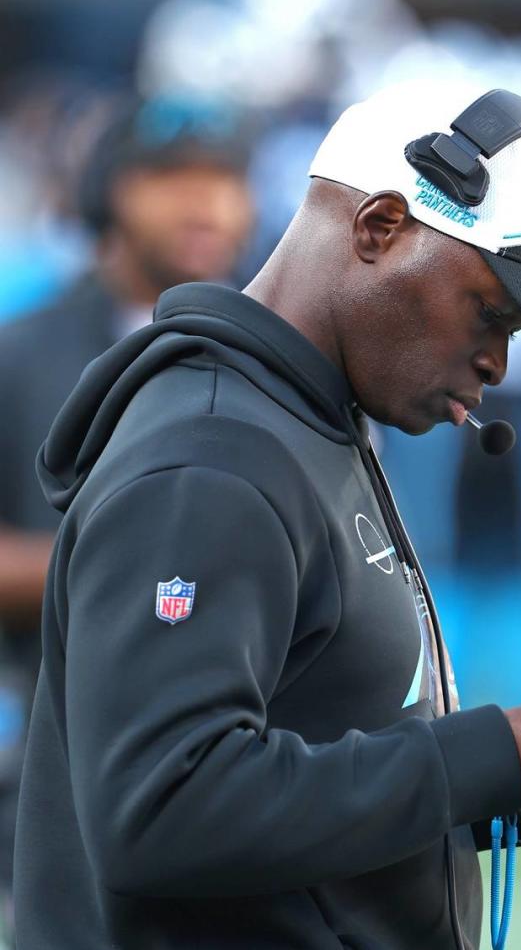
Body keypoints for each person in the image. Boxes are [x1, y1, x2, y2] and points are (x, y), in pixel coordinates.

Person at [13, 85, 521, 950]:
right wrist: (488, 757)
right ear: (378, 228)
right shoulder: (212, 457)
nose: (497, 361)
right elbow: (163, 806)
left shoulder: (310, 418)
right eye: (490, 313)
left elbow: (311, 747)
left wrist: (497, 785)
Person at [0, 96, 253, 939]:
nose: (203, 204)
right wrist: (148, 565)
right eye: (169, 178)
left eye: (223, 179)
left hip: (245, 772)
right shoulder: (23, 349)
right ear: (108, 194)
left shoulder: (276, 349)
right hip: (51, 761)